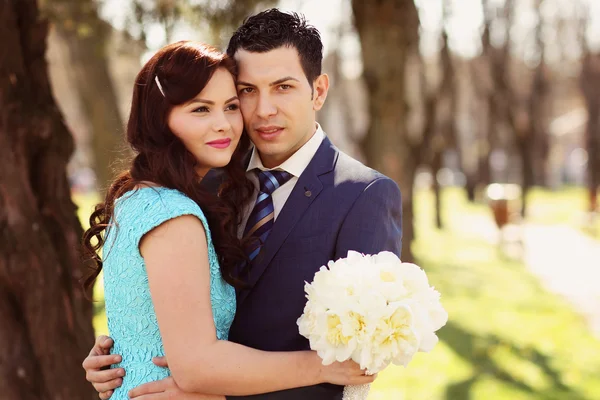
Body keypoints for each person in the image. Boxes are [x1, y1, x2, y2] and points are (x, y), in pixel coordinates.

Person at [83, 9, 402, 400]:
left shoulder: (364, 196)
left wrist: (210, 392)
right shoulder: (202, 182)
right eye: (247, 91)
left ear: (318, 91)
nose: (264, 109)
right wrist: (129, 357)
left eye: (283, 87)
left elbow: (361, 361)